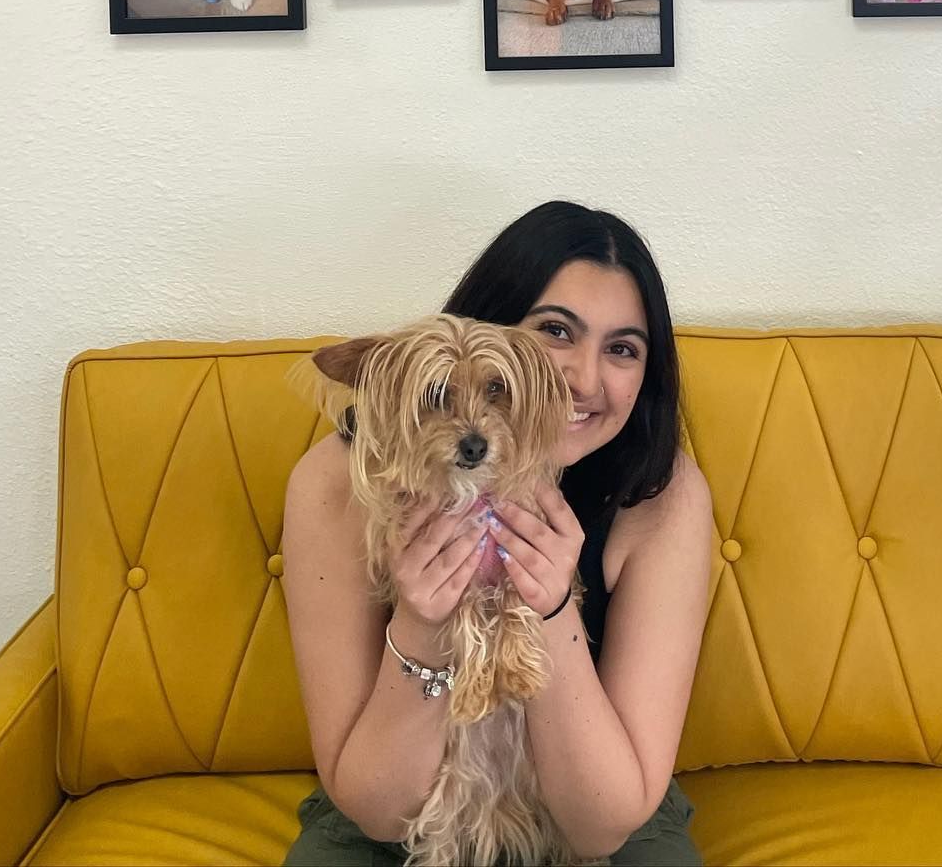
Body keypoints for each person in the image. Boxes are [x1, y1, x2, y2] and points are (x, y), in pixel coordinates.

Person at [281, 201, 713, 864]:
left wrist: (550, 608)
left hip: (589, 801)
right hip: (403, 809)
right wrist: (423, 625)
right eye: (556, 332)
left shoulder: (662, 495)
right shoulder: (340, 481)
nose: (582, 380)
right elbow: (378, 810)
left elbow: (601, 826)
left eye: (622, 349)